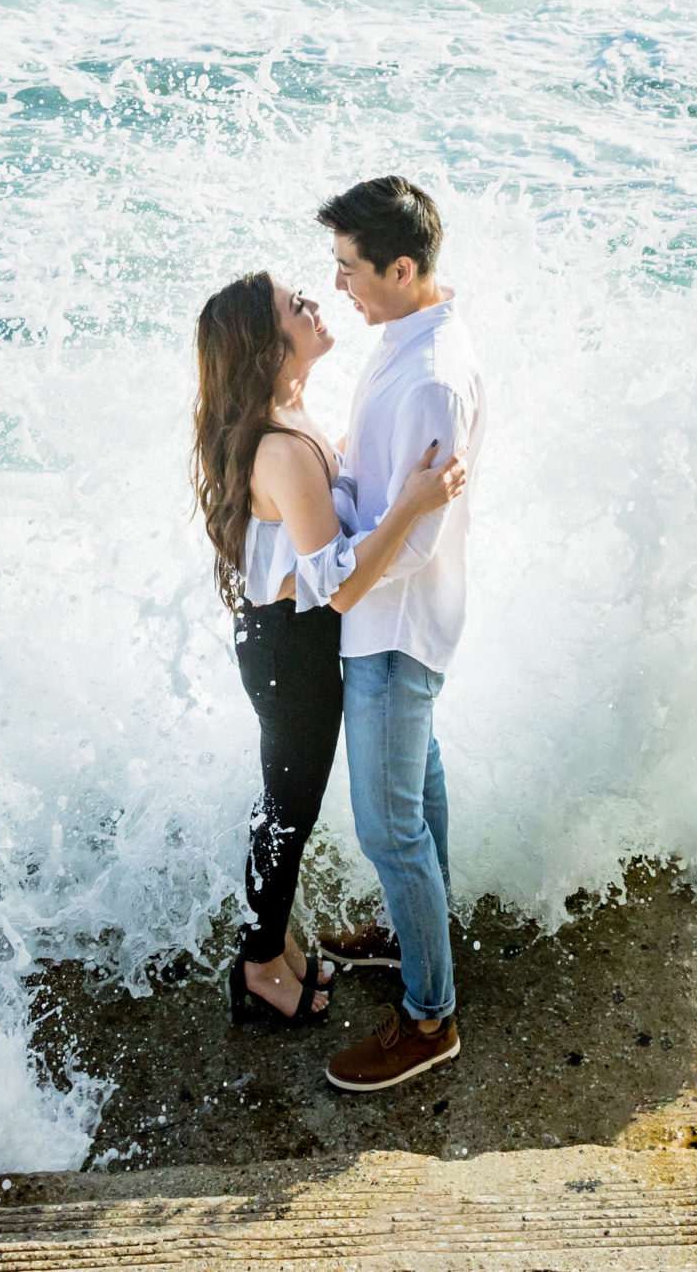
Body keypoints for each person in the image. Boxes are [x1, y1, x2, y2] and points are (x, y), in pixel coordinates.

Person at [192, 270, 469, 1027]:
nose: (314, 303)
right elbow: (339, 583)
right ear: (267, 345)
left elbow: (326, 513)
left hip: (290, 635)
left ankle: (274, 944)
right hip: (289, 648)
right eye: (295, 306)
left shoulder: (286, 411)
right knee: (289, 804)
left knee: (291, 799)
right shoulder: (278, 446)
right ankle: (257, 963)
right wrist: (412, 502)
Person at [311, 176, 486, 1093]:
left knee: (388, 828)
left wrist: (334, 578)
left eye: (350, 267)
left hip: (391, 627)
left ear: (403, 266)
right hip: (400, 618)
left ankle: (429, 1015)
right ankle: (424, 934)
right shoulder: (406, 332)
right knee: (418, 790)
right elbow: (380, 485)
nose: (339, 283)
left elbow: (410, 541)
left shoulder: (428, 375)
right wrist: (339, 481)